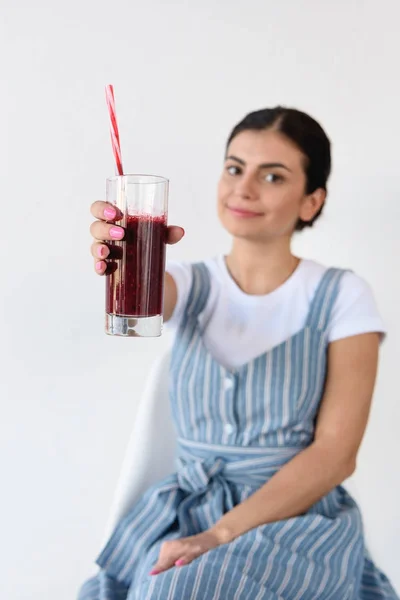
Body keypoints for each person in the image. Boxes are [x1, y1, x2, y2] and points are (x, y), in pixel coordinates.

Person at [79, 107, 398, 599]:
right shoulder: (187, 284)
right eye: (234, 168)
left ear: (312, 202)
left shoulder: (343, 296)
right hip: (182, 513)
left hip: (295, 520)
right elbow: (143, 305)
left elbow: (336, 455)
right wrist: (124, 257)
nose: (244, 188)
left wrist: (220, 534)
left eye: (272, 175)